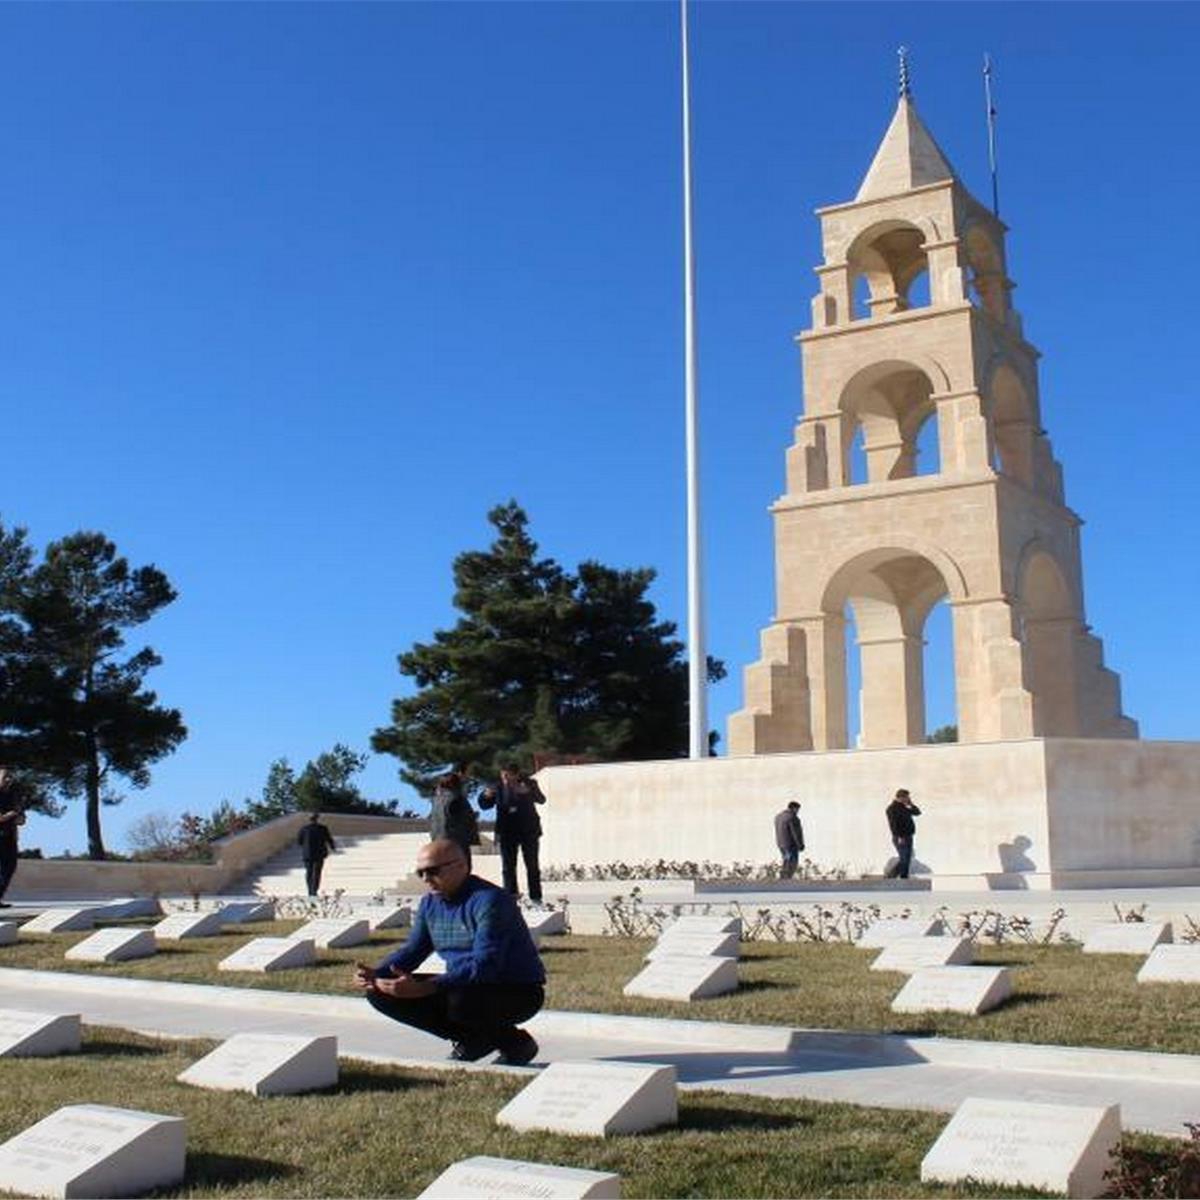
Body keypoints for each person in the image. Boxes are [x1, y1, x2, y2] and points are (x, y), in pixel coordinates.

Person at [355, 838, 544, 1065]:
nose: (426, 879)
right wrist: (377, 974)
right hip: (465, 985)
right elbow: (414, 949)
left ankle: (516, 1044)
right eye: (420, 873)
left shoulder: (490, 900)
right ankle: (472, 1040)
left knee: (460, 1000)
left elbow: (486, 963)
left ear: (461, 866)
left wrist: (428, 986)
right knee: (380, 993)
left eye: (433, 871)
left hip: (515, 989)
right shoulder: (429, 904)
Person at [479, 764, 546, 904]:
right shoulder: (497, 787)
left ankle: (536, 897)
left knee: (532, 865)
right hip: (507, 831)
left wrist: (528, 791)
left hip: (529, 831)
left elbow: (541, 800)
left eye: (507, 776)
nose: (504, 779)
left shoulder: (529, 783)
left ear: (516, 775)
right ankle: (511, 897)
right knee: (508, 867)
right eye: (502, 776)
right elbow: (484, 806)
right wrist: (485, 796)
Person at [428, 769, 479, 863]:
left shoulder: (436, 801)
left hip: (438, 840)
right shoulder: (457, 799)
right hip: (457, 841)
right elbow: (466, 820)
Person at [0, 768, 27, 908]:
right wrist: (11, 814)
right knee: (3, 868)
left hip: (10, 836)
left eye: (9, 777)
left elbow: (21, 820)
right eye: (5, 777)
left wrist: (20, 817)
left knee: (10, 867)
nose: (8, 780)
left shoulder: (12, 796)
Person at [884, 788, 922, 879]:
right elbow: (893, 824)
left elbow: (917, 813)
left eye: (908, 798)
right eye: (906, 797)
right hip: (900, 837)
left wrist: (911, 804)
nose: (908, 799)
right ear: (900, 797)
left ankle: (904, 877)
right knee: (904, 859)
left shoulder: (904, 807)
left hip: (908, 836)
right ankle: (890, 877)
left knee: (907, 860)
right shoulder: (891, 808)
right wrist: (900, 836)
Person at [296, 812, 337, 896]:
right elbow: (328, 839)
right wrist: (333, 847)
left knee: (309, 872)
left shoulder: (304, 829)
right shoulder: (322, 828)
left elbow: (299, 841)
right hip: (319, 854)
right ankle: (314, 889)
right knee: (317, 872)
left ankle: (310, 890)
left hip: (307, 854)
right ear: (317, 819)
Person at [774, 800, 805, 879]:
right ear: (794, 808)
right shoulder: (793, 818)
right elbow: (795, 833)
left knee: (786, 861)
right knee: (792, 863)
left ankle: (783, 879)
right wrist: (800, 845)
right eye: (797, 809)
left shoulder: (778, 817)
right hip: (791, 845)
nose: (798, 811)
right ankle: (785, 880)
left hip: (781, 844)